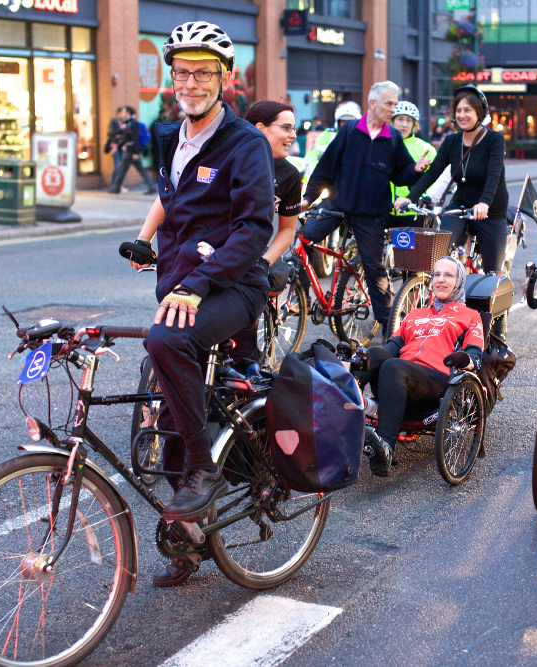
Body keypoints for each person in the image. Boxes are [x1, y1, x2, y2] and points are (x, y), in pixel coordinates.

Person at [126, 20, 275, 586]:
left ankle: (207, 471)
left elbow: (255, 228)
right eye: (181, 71)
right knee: (163, 431)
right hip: (183, 285)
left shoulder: (245, 144)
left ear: (226, 78)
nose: (190, 82)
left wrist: (199, 279)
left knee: (166, 340)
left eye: (203, 72)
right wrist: (149, 245)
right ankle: (190, 542)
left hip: (234, 287)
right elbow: (173, 202)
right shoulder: (168, 136)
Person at [300, 81, 432, 336]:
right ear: (372, 103)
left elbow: (400, 174)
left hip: (371, 213)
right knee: (303, 239)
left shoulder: (392, 137)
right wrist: (309, 197)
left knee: (374, 269)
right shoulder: (349, 131)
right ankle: (302, 295)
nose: (393, 109)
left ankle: (388, 328)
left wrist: (415, 169)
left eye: (395, 103)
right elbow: (325, 167)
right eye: (389, 104)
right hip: (337, 204)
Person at [357, 256, 484, 476]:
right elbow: (390, 350)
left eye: (449, 275)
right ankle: (348, 401)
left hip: (436, 384)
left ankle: (386, 448)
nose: (441, 280)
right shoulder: (416, 314)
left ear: (460, 281)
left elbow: (475, 355)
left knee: (393, 367)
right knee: (372, 353)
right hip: (395, 381)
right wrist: (363, 359)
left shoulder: (470, 316)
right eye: (437, 275)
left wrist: (464, 360)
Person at [395, 85, 509, 273]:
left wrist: (484, 203)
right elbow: (432, 173)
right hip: (460, 206)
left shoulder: (494, 139)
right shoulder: (451, 142)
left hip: (490, 210)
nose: (462, 115)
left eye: (467, 110)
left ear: (479, 113)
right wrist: (410, 198)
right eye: (458, 111)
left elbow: (494, 176)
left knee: (492, 273)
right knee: (439, 253)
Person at [229, 99, 303, 361]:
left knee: (241, 347)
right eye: (286, 128)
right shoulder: (230, 158)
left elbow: (287, 230)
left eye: (293, 129)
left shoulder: (290, 175)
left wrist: (264, 262)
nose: (293, 135)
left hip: (252, 257)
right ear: (260, 128)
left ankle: (246, 372)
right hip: (214, 252)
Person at [387, 101, 438, 227]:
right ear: (392, 121)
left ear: (414, 124)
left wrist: (425, 197)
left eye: (409, 120)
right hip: (384, 210)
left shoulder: (425, 148)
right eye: (400, 119)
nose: (404, 124)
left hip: (411, 211)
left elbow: (435, 177)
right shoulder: (383, 144)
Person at [301, 101, 362, 186]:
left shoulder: (362, 137)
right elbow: (313, 155)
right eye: (343, 122)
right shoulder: (328, 135)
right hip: (329, 181)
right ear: (338, 122)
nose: (347, 125)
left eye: (350, 122)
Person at [107, 106, 157, 194]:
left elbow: (135, 138)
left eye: (123, 112)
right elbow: (125, 137)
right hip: (130, 150)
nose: (122, 114)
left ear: (128, 113)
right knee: (136, 169)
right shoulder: (127, 124)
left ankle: (116, 188)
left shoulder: (133, 124)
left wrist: (136, 152)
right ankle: (151, 187)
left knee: (122, 169)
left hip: (131, 150)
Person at [104, 106, 125, 173]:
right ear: (119, 113)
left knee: (121, 166)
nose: (124, 114)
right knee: (117, 165)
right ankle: (114, 183)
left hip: (122, 145)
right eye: (123, 112)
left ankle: (117, 183)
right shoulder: (113, 121)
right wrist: (121, 129)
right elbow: (112, 132)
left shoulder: (123, 122)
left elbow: (125, 134)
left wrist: (119, 135)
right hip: (114, 145)